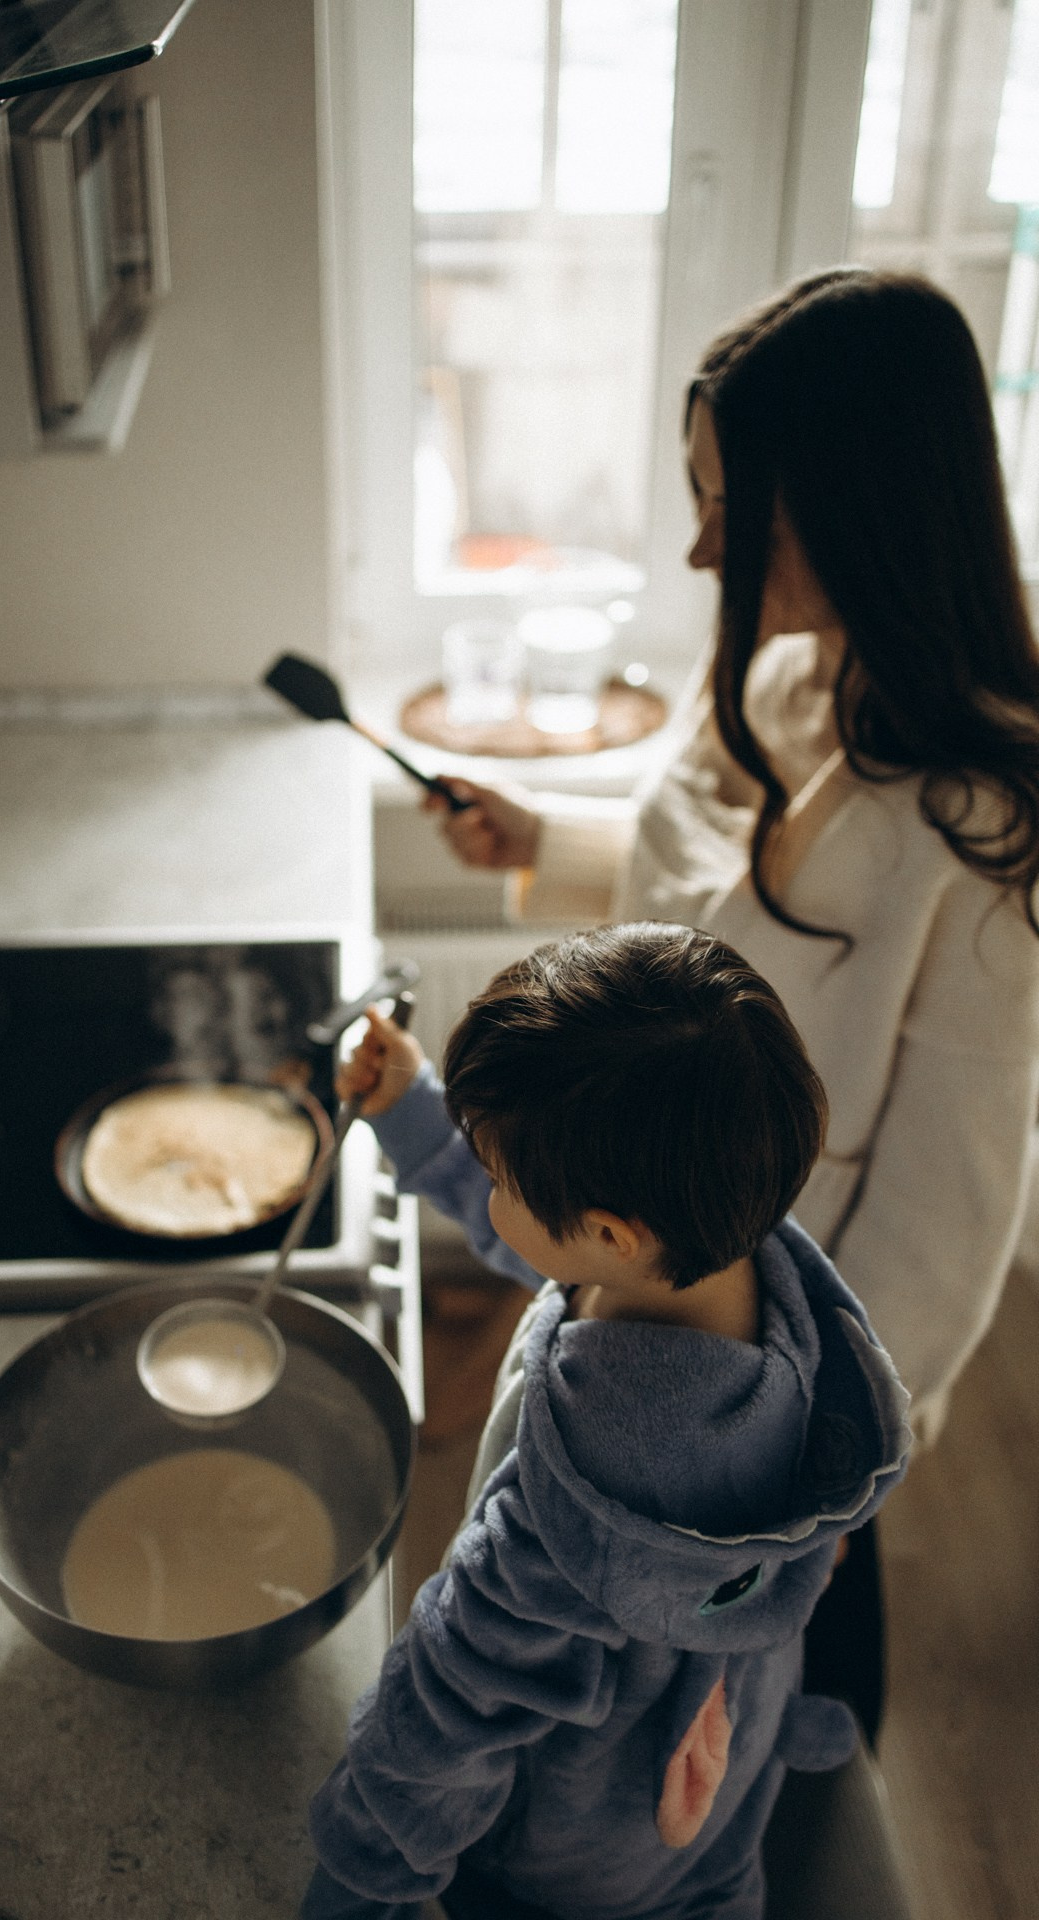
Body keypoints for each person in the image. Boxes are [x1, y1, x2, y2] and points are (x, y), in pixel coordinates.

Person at [430, 269, 1039, 1459]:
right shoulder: (775, 670)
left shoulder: (980, 833)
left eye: (741, 515)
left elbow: (943, 1219)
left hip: (775, 1372)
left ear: (868, 513)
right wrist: (544, 840)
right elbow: (715, 908)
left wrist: (817, 1452)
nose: (704, 549)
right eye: (701, 498)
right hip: (642, 1268)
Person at [302, 922, 910, 1920]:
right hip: (722, 1763)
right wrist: (415, 1113)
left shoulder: (573, 1512)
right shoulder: (743, 1253)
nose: (487, 1183)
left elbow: (442, 1716)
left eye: (494, 1172)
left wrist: (358, 1888)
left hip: (576, 1848)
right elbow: (566, 1248)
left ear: (611, 1233)